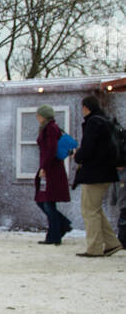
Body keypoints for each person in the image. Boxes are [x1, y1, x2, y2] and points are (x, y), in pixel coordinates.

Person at [73, 94, 121, 257]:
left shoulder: (93, 122)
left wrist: (77, 156)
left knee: (89, 211)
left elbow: (88, 148)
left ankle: (94, 248)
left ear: (86, 108)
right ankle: (112, 243)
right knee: (95, 210)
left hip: (95, 173)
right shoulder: (105, 120)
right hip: (107, 172)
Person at [34, 103, 72, 245]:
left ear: (44, 116)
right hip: (50, 169)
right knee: (45, 201)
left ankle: (55, 234)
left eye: (38, 114)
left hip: (51, 171)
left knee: (47, 202)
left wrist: (44, 167)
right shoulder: (49, 128)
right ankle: (61, 226)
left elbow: (51, 149)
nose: (37, 117)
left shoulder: (50, 128)